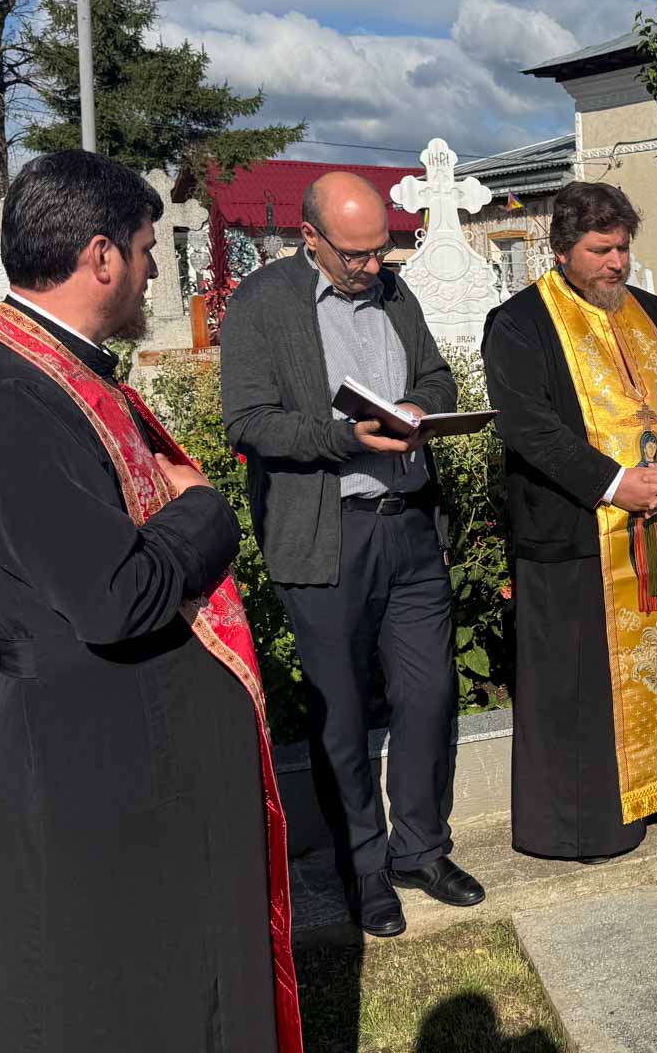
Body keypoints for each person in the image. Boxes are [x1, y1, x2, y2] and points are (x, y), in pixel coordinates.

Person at [0, 150, 298, 1052]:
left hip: (130, 741)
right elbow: (116, 598)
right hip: (90, 755)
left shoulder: (57, 368)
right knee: (122, 993)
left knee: (172, 976)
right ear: (100, 257)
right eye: (145, 247)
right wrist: (207, 509)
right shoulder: (3, 391)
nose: (156, 268)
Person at [221, 171, 480, 939]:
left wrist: (420, 407)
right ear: (311, 238)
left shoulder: (397, 295)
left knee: (429, 697)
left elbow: (434, 373)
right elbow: (250, 423)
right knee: (340, 714)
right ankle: (363, 868)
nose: (374, 266)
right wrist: (344, 436)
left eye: (382, 249)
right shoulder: (263, 305)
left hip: (409, 527)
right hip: (327, 534)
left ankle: (422, 849)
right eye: (357, 255)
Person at [482, 181, 657, 863]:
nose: (616, 262)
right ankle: (589, 823)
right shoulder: (520, 323)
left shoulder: (648, 310)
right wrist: (616, 484)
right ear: (561, 251)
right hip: (578, 536)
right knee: (585, 688)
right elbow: (529, 426)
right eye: (600, 250)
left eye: (622, 247)